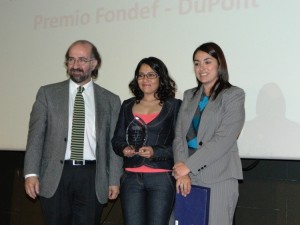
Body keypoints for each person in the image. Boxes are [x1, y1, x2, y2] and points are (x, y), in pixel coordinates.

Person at [24, 40, 123, 225]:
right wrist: (31, 174)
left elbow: (113, 145)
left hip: (92, 176)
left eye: (82, 60)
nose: (76, 65)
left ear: (94, 64)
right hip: (55, 175)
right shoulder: (47, 94)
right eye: (71, 60)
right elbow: (35, 137)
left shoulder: (111, 100)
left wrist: (114, 179)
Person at [172, 42, 245, 225]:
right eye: (197, 63)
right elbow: (179, 136)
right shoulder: (189, 95)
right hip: (186, 176)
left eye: (207, 62)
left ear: (219, 64)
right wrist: (182, 172)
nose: (201, 68)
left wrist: (188, 166)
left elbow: (224, 139)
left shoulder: (233, 95)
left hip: (219, 176)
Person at [111, 57, 182, 225]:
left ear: (161, 78)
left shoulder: (174, 106)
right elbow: (117, 140)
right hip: (131, 179)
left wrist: (155, 151)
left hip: (162, 179)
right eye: (141, 75)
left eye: (151, 74)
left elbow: (181, 144)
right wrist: (124, 149)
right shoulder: (127, 105)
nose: (145, 79)